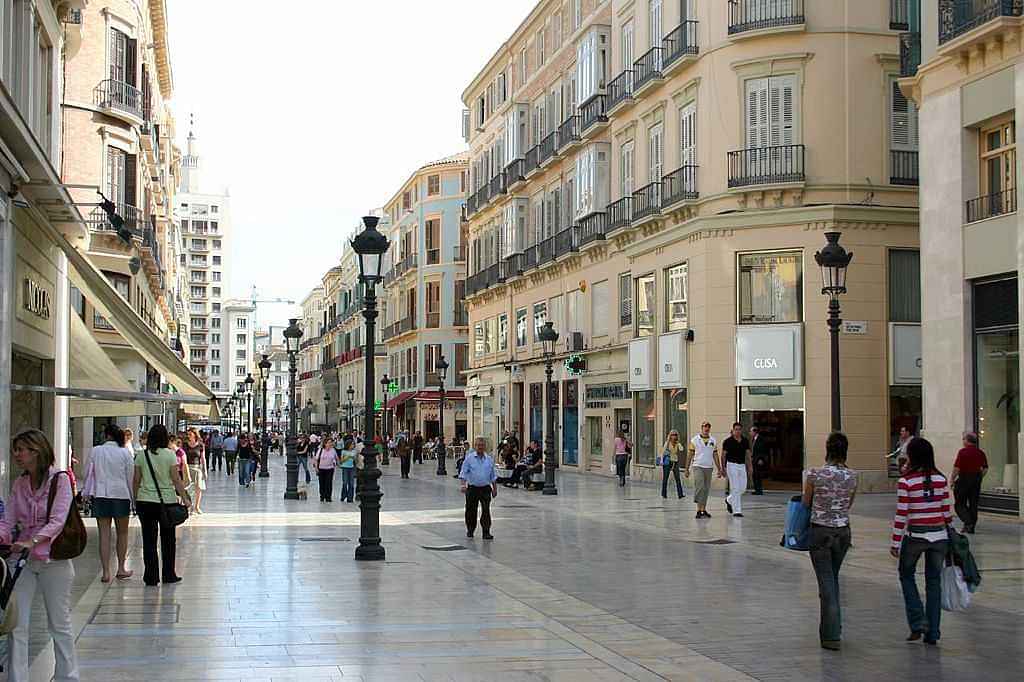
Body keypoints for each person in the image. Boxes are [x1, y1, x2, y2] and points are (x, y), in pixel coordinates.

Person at [0, 429, 81, 681]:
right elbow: (9, 519)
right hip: (22, 563)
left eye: (21, 449)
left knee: (59, 624)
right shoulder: (20, 484)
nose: (16, 455)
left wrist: (31, 541)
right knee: (17, 625)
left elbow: (57, 521)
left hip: (53, 560)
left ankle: (68, 677)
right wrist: (4, 537)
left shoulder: (60, 480)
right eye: (15, 450)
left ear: (36, 451)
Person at [891, 437, 953, 646]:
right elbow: (947, 512)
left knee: (906, 575)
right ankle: (933, 632)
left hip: (916, 536)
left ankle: (918, 621)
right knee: (933, 582)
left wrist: (895, 542)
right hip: (939, 537)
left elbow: (902, 514)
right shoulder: (941, 479)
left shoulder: (906, 481)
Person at [802, 432, 858, 651]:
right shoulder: (853, 476)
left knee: (826, 584)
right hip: (843, 531)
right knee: (832, 578)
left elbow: (806, 503)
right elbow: (849, 503)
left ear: (827, 449)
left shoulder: (815, 474)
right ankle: (835, 626)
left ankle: (831, 634)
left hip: (821, 532)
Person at [134, 424, 191, 587]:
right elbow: (176, 479)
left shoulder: (141, 455)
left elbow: (136, 480)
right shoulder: (170, 455)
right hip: (166, 502)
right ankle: (168, 574)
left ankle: (151, 577)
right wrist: (185, 497)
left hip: (145, 501)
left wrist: (135, 498)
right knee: (168, 540)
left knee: (149, 541)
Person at [82, 423, 135, 583]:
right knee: (122, 533)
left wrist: (86, 491)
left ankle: (106, 572)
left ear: (106, 435)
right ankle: (121, 568)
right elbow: (130, 477)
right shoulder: (125, 452)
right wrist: (133, 501)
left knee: (104, 535)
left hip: (101, 495)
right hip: (121, 495)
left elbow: (87, 473)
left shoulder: (96, 451)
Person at [459, 437, 498, 539]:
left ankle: (486, 532)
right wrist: (463, 485)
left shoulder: (489, 459)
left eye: (482, 445)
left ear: (485, 446)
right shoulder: (469, 458)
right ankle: (470, 530)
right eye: (478, 445)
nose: (480, 447)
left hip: (485, 488)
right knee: (471, 510)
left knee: (486, 510)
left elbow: (493, 475)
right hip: (472, 488)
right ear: (475, 446)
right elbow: (463, 472)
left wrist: (495, 489)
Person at [952, 431, 988, 534]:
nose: (963, 441)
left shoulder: (963, 452)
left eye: (964, 439)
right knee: (973, 503)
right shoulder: (980, 452)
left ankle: (968, 522)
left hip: (964, 478)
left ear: (967, 441)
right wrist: (980, 477)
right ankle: (971, 526)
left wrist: (952, 479)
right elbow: (985, 468)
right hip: (976, 479)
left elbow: (957, 468)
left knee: (959, 503)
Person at [686, 421, 723, 519]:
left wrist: (719, 469)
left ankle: (703, 509)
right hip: (698, 465)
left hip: (708, 467)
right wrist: (686, 469)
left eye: (708, 427)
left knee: (706, 489)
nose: (706, 429)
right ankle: (698, 508)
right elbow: (690, 455)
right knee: (700, 486)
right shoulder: (694, 440)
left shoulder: (713, 440)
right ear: (701, 428)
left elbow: (715, 455)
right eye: (704, 427)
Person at [722, 422, 751, 517]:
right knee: (735, 488)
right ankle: (737, 511)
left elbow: (748, 454)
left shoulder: (745, 441)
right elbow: (723, 455)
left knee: (742, 488)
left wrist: (750, 466)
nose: (737, 431)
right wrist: (723, 468)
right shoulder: (728, 441)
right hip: (731, 465)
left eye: (739, 429)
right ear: (733, 430)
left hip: (742, 466)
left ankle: (729, 500)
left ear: (741, 430)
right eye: (736, 429)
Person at [184, 429, 207, 514]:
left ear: (195, 435)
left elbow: (203, 458)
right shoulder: (185, 445)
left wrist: (205, 470)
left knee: (198, 488)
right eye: (188, 434)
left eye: (190, 434)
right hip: (187, 467)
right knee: (187, 488)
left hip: (197, 468)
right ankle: (189, 506)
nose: (188, 436)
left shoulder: (200, 445)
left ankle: (197, 507)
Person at [660, 430, 686, 499]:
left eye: (675, 435)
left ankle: (680, 494)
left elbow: (681, 449)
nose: (674, 436)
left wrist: (679, 443)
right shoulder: (667, 443)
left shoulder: (677, 443)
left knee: (678, 478)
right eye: (672, 435)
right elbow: (662, 452)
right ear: (670, 436)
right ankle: (664, 494)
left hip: (675, 461)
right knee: (665, 478)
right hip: (668, 462)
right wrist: (662, 460)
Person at [315, 436, 339, 502]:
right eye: (328, 442)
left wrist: (338, 464)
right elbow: (316, 459)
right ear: (325, 443)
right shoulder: (320, 450)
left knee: (329, 483)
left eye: (331, 442)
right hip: (321, 468)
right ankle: (322, 496)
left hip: (330, 469)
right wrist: (316, 468)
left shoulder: (333, 450)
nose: (330, 444)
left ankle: (328, 497)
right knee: (322, 483)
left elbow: (337, 458)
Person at [750, 426, 769, 495]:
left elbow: (763, 450)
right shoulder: (753, 439)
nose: (750, 433)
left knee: (758, 475)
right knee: (754, 475)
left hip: (758, 460)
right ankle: (756, 489)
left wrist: (761, 459)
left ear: (755, 432)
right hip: (754, 459)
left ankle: (759, 490)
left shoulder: (761, 439)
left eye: (751, 431)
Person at [338, 437, 357, 503]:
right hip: (345, 468)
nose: (353, 446)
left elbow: (355, 460)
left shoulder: (354, 451)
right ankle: (343, 496)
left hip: (351, 468)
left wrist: (354, 458)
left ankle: (350, 498)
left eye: (353, 444)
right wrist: (347, 457)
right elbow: (341, 461)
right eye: (352, 444)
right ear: (348, 445)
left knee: (351, 483)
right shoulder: (343, 451)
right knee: (345, 482)